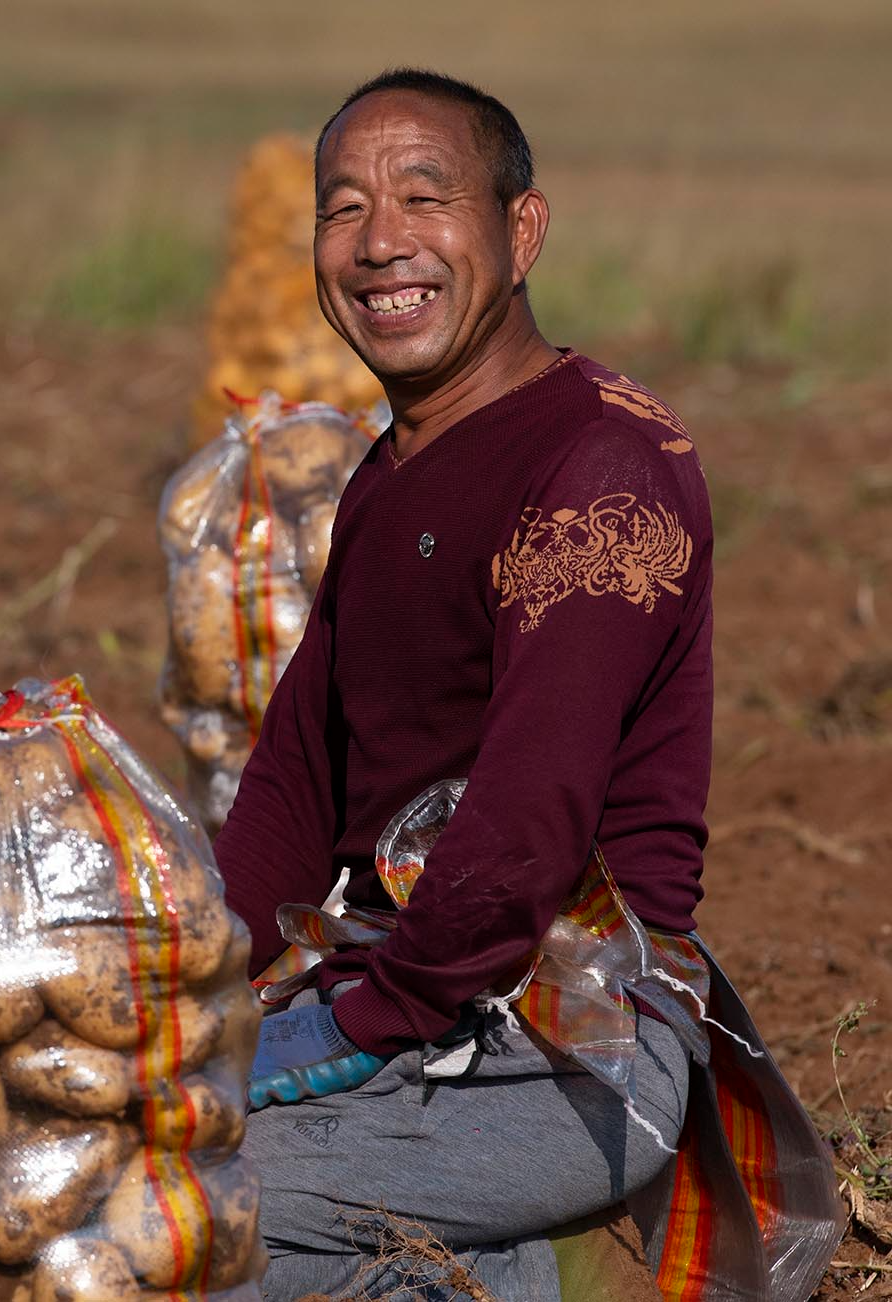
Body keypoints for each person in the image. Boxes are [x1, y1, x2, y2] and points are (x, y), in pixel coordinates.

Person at [214, 69, 839, 1301]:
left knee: (152, 1213)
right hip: (411, 1001)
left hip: (564, 1039)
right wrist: (168, 1002)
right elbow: (296, 782)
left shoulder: (600, 467)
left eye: (424, 196)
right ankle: (490, 1265)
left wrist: (351, 1027)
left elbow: (528, 814)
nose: (380, 240)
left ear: (522, 230)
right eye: (343, 208)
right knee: (67, 1174)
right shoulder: (392, 472)